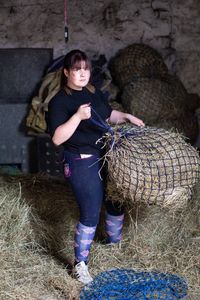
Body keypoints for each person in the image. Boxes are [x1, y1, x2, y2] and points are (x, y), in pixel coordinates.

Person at [48, 49, 145, 285]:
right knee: (91, 210)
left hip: (105, 155)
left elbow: (108, 114)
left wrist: (127, 117)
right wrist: (77, 117)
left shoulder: (93, 92)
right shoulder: (60, 101)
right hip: (80, 160)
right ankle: (80, 265)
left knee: (116, 199)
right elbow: (57, 138)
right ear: (66, 72)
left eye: (86, 69)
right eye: (77, 69)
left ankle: (114, 245)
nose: (82, 74)